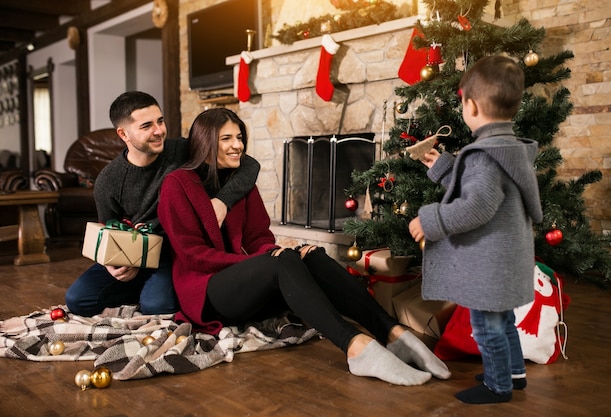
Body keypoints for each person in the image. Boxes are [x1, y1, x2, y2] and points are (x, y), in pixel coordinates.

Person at [157, 108, 451, 386]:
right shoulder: (177, 184)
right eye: (227, 139)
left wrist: (278, 253)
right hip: (207, 294)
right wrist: (261, 260)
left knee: (312, 257)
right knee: (280, 260)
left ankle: (393, 333)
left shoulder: (240, 182)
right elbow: (192, 255)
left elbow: (259, 237)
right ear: (205, 142)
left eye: (240, 137)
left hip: (243, 282)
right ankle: (355, 346)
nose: (238, 145)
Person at [408, 55, 543, 404]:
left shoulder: (484, 154)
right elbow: (481, 187)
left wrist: (429, 220)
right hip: (507, 261)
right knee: (503, 319)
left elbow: (475, 206)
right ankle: (513, 373)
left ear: (471, 105)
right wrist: (443, 167)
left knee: (487, 325)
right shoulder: (508, 149)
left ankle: (498, 387)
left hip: (489, 265)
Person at [65, 91, 260, 317]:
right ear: (123, 134)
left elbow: (250, 165)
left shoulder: (183, 151)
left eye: (160, 121)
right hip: (137, 253)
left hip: (175, 253)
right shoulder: (108, 181)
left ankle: (154, 293)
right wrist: (112, 264)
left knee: (158, 306)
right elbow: (109, 231)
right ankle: (144, 290)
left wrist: (223, 201)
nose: (159, 131)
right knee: (78, 300)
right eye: (147, 126)